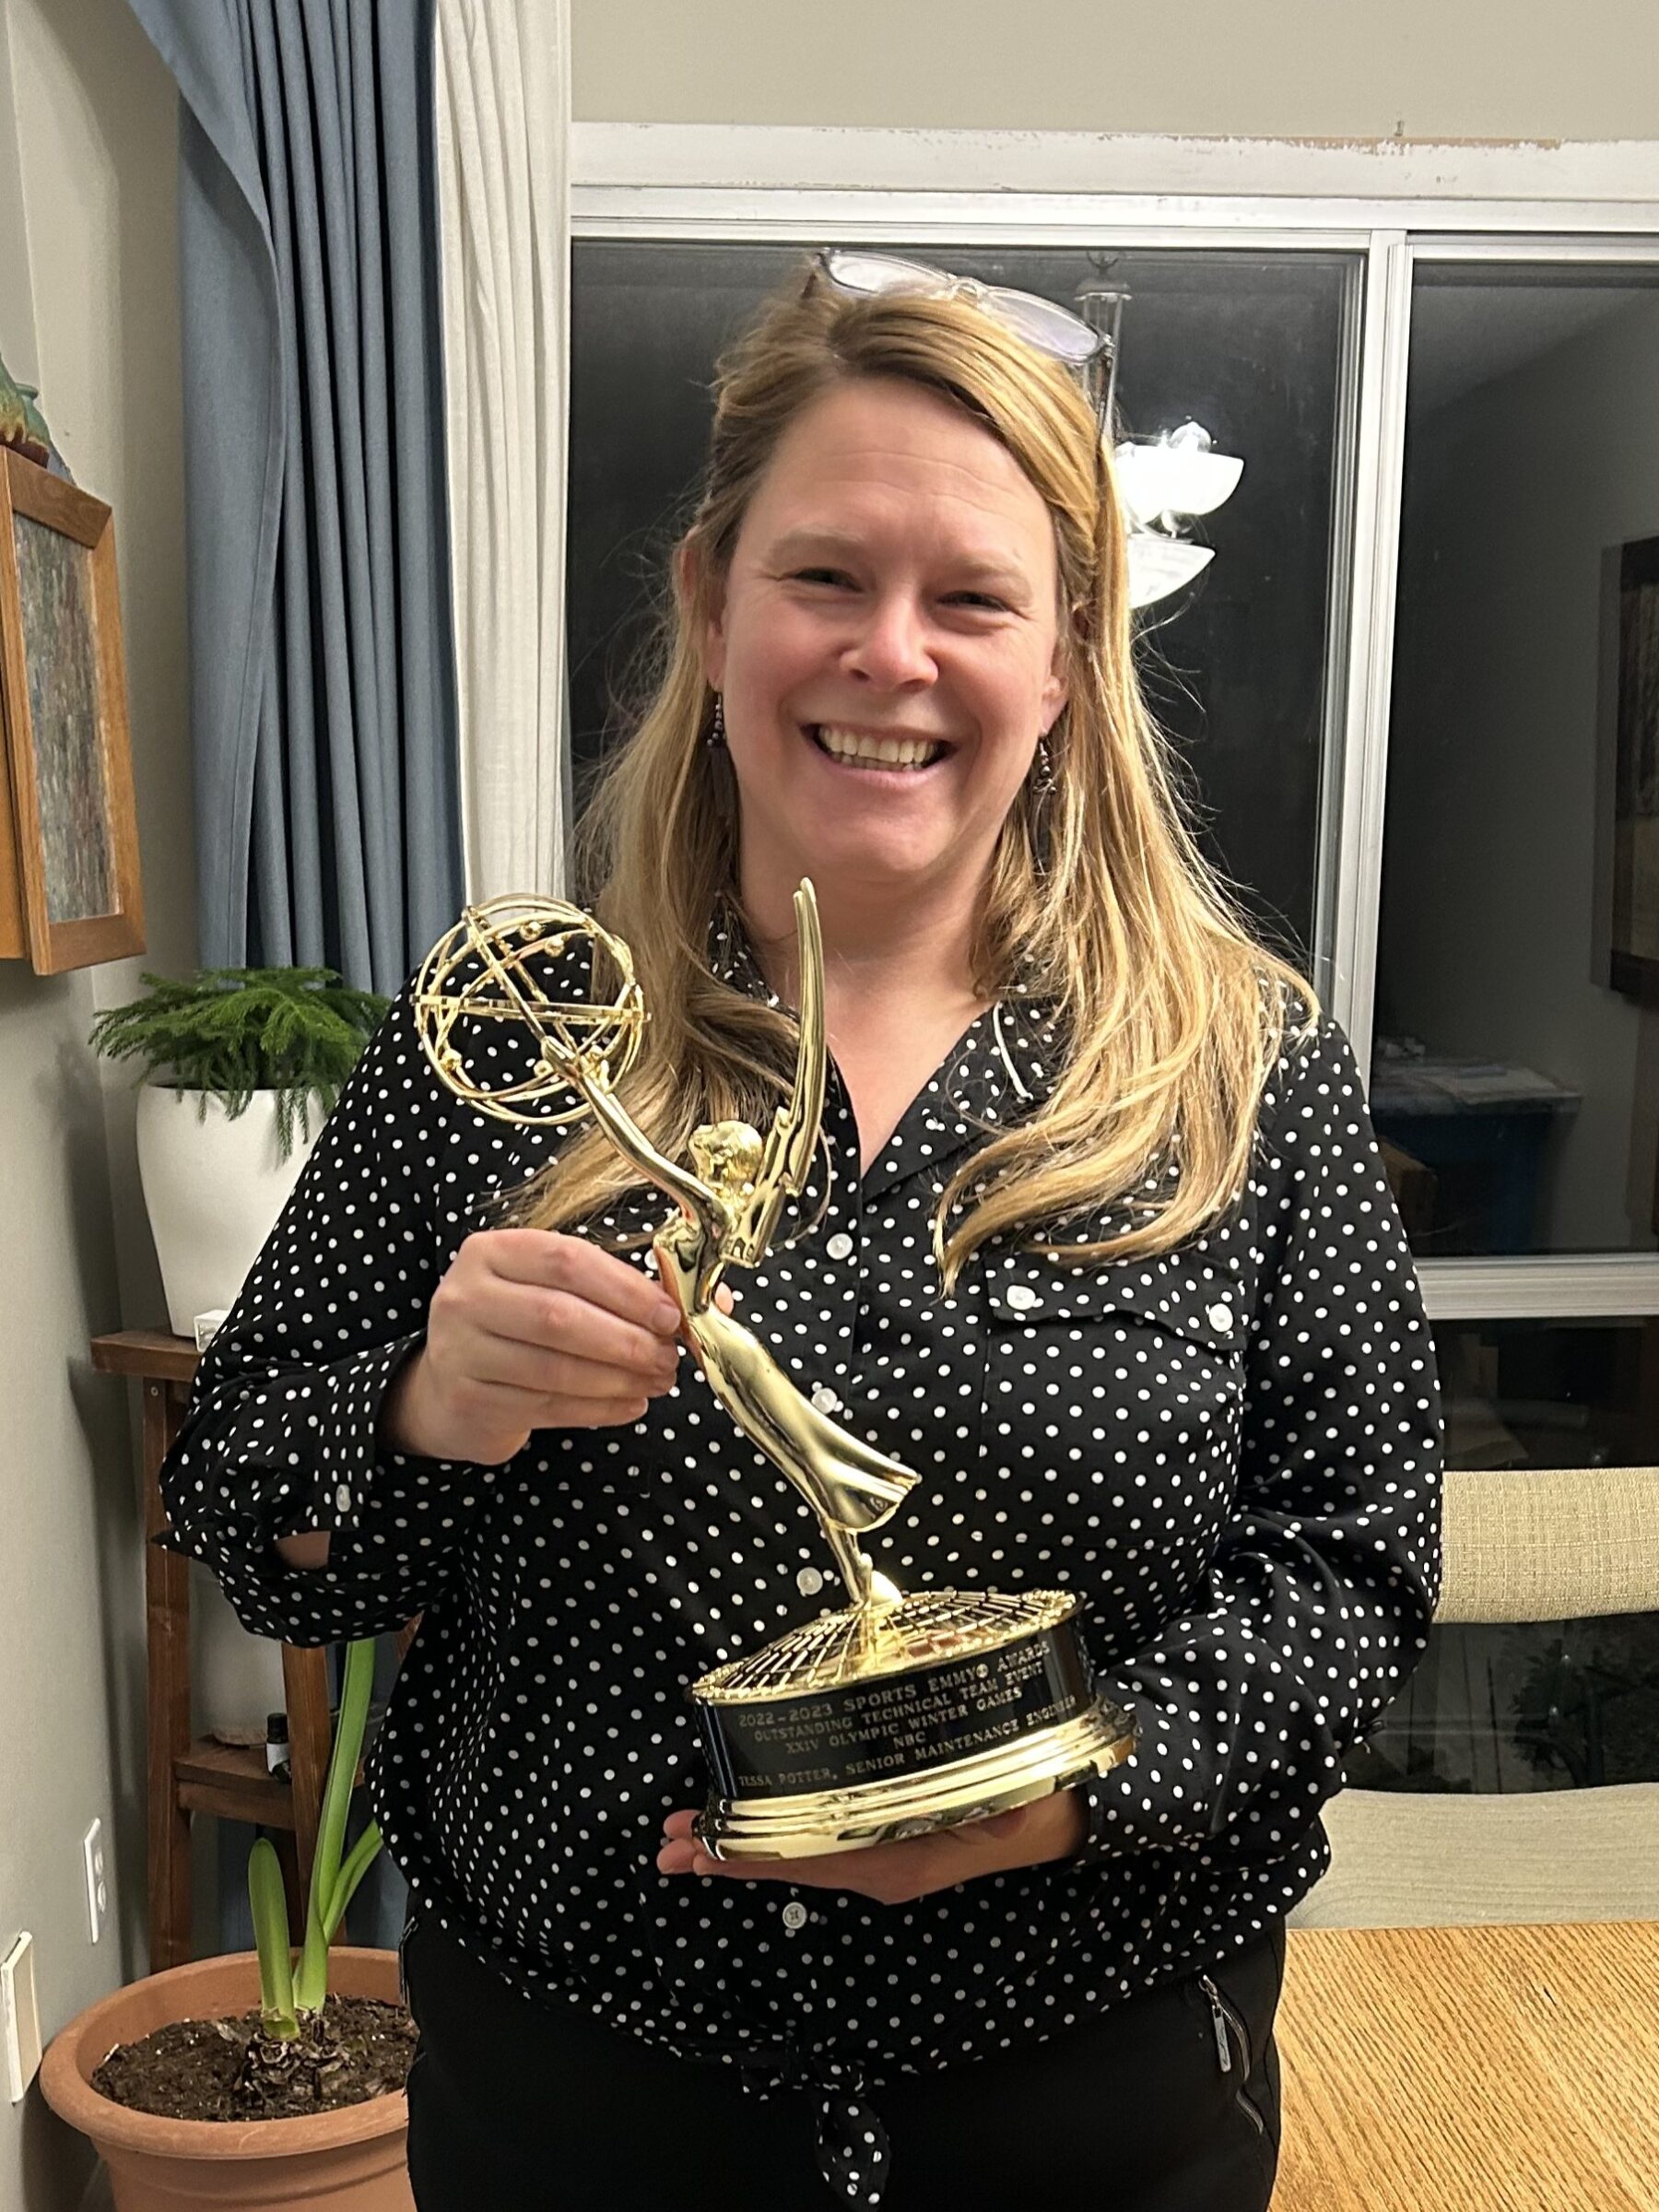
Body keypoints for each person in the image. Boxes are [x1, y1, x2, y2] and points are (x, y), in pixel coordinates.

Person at [158, 248, 1443, 2211]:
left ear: (1071, 651)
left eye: (974, 599)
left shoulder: (1242, 1067)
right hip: (589, 2101)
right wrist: (427, 1407)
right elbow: (248, 1512)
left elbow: (1356, 1570)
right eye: (828, 576)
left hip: (1092, 2104)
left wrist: (1067, 1795)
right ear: (710, 597)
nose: (892, 654)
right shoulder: (513, 1046)